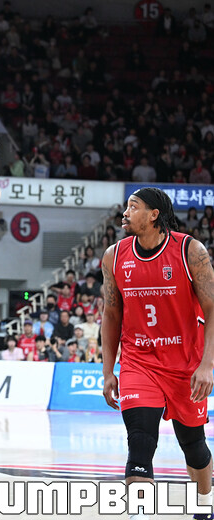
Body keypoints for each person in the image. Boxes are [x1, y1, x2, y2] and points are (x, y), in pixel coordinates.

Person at [101, 187, 214, 520]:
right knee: (139, 441)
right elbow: (111, 315)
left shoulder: (190, 251)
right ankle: (139, 513)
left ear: (154, 214)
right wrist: (108, 370)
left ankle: (204, 501)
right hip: (139, 362)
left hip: (186, 364)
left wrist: (207, 365)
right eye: (126, 206)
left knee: (193, 444)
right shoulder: (114, 256)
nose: (125, 212)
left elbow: (212, 308)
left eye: (133, 207)